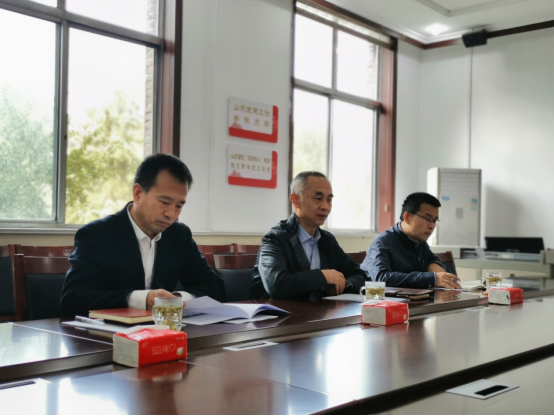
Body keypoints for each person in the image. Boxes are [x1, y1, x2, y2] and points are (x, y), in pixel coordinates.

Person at [60, 154, 226, 317]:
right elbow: (72, 299)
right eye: (165, 202)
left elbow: (215, 287)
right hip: (110, 333)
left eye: (179, 206)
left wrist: (174, 300)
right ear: (138, 193)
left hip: (164, 331)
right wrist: (140, 300)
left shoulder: (179, 236)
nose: (171, 214)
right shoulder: (96, 235)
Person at [250, 171, 366, 300]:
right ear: (296, 200)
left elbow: (361, 276)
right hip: (277, 312)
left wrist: (343, 285)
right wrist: (322, 277)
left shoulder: (327, 240)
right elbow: (276, 284)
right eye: (318, 199)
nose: (325, 207)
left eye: (329, 200)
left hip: (319, 311)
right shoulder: (275, 238)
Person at [361, 192, 462, 289]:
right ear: (407, 217)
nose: (432, 226)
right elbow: (381, 278)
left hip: (414, 298)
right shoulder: (382, 242)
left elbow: (431, 259)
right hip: (380, 299)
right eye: (427, 219)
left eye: (434, 220)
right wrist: (433, 279)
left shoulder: (420, 241)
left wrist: (434, 265)